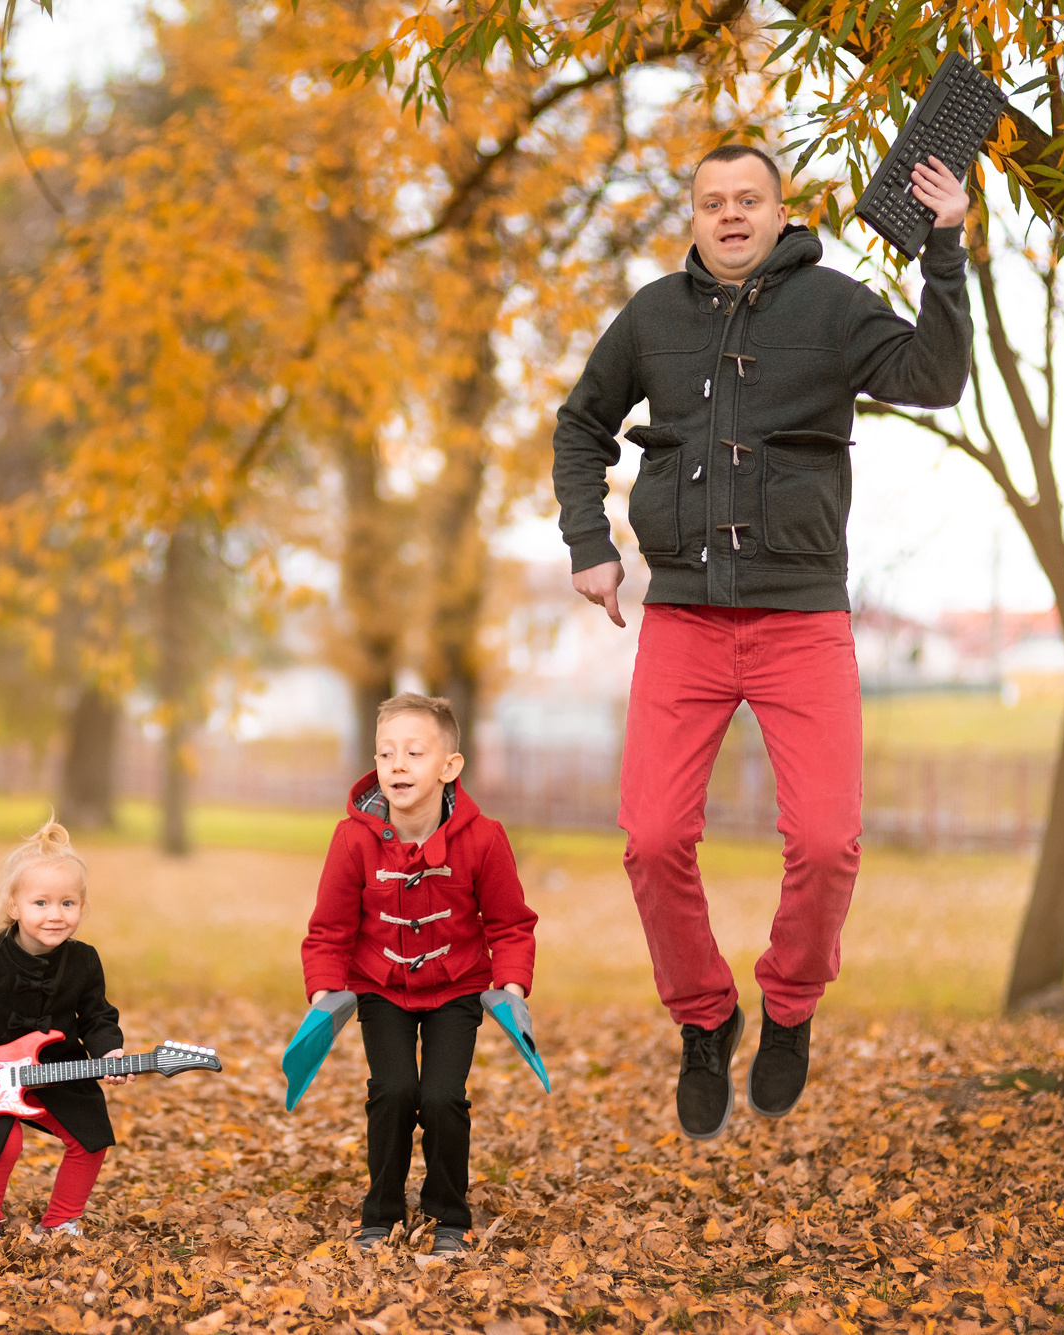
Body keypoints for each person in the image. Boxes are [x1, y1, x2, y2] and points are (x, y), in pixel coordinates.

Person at [551, 144, 973, 1140]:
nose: (729, 215)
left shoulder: (832, 304)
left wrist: (944, 245)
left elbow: (935, 376)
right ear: (693, 218)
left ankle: (787, 1006)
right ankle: (704, 1019)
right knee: (651, 842)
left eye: (747, 200)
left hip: (799, 620)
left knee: (825, 845)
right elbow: (580, 425)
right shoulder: (651, 316)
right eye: (710, 203)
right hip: (683, 620)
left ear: (781, 213)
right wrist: (587, 542)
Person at [301, 694, 538, 1255]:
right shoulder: (352, 840)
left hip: (456, 989)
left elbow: (510, 924)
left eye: (414, 752)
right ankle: (380, 1213)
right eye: (386, 754)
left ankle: (449, 1215)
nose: (398, 765)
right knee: (393, 1091)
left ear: (449, 767)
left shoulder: (485, 839)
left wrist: (511, 986)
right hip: (380, 988)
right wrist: (322, 992)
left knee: (440, 1098)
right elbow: (329, 930)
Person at [0, 822, 132, 1240]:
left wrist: (109, 1050)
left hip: (54, 1071)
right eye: (40, 903)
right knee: (4, 1144)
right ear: (13, 906)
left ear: (82, 906)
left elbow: (96, 1016)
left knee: (92, 1137)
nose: (56, 914)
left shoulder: (84, 961)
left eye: (68, 903)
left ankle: (61, 1221)